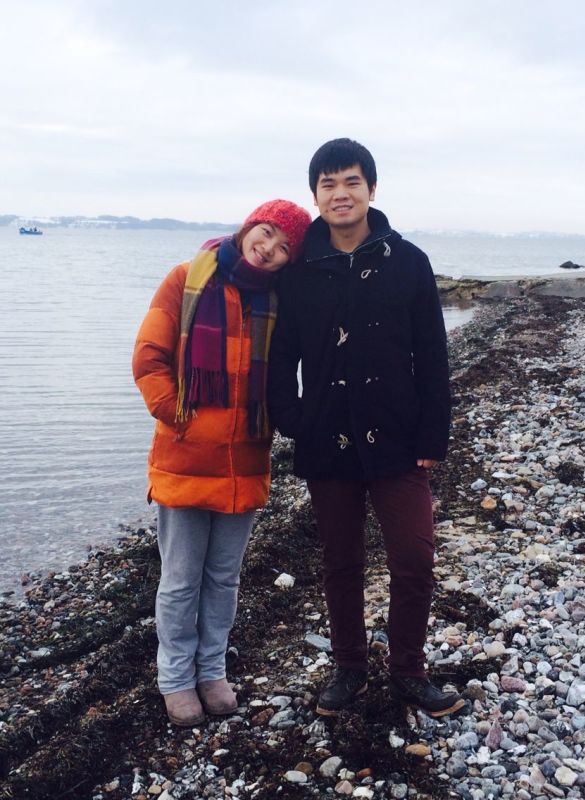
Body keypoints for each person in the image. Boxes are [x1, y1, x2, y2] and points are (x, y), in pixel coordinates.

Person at [267, 138, 464, 718]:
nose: (340, 193)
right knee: (341, 562)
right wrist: (293, 419)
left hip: (398, 437)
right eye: (327, 184)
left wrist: (433, 434)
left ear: (371, 189)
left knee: (414, 559)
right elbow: (280, 358)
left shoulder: (408, 261)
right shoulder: (300, 272)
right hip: (327, 438)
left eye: (351, 181)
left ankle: (409, 671)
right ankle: (349, 667)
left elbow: (432, 355)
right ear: (314, 196)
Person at [133, 199, 311, 727]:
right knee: (180, 580)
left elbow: (291, 371)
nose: (269, 248)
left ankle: (212, 671)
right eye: (267, 232)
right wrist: (178, 418)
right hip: (185, 460)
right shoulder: (186, 279)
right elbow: (148, 357)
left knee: (224, 579)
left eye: (284, 247)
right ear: (250, 225)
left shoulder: (277, 301)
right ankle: (175, 678)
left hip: (245, 462)